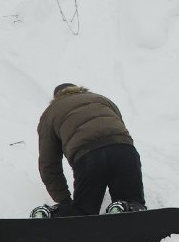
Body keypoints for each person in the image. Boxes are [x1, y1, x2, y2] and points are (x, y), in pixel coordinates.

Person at [30, 83, 147, 218]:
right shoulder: (101, 99)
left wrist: (65, 201)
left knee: (83, 212)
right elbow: (118, 122)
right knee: (131, 202)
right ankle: (124, 208)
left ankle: (48, 215)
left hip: (89, 157)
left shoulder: (50, 113)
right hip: (124, 151)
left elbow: (49, 163)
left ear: (56, 97)